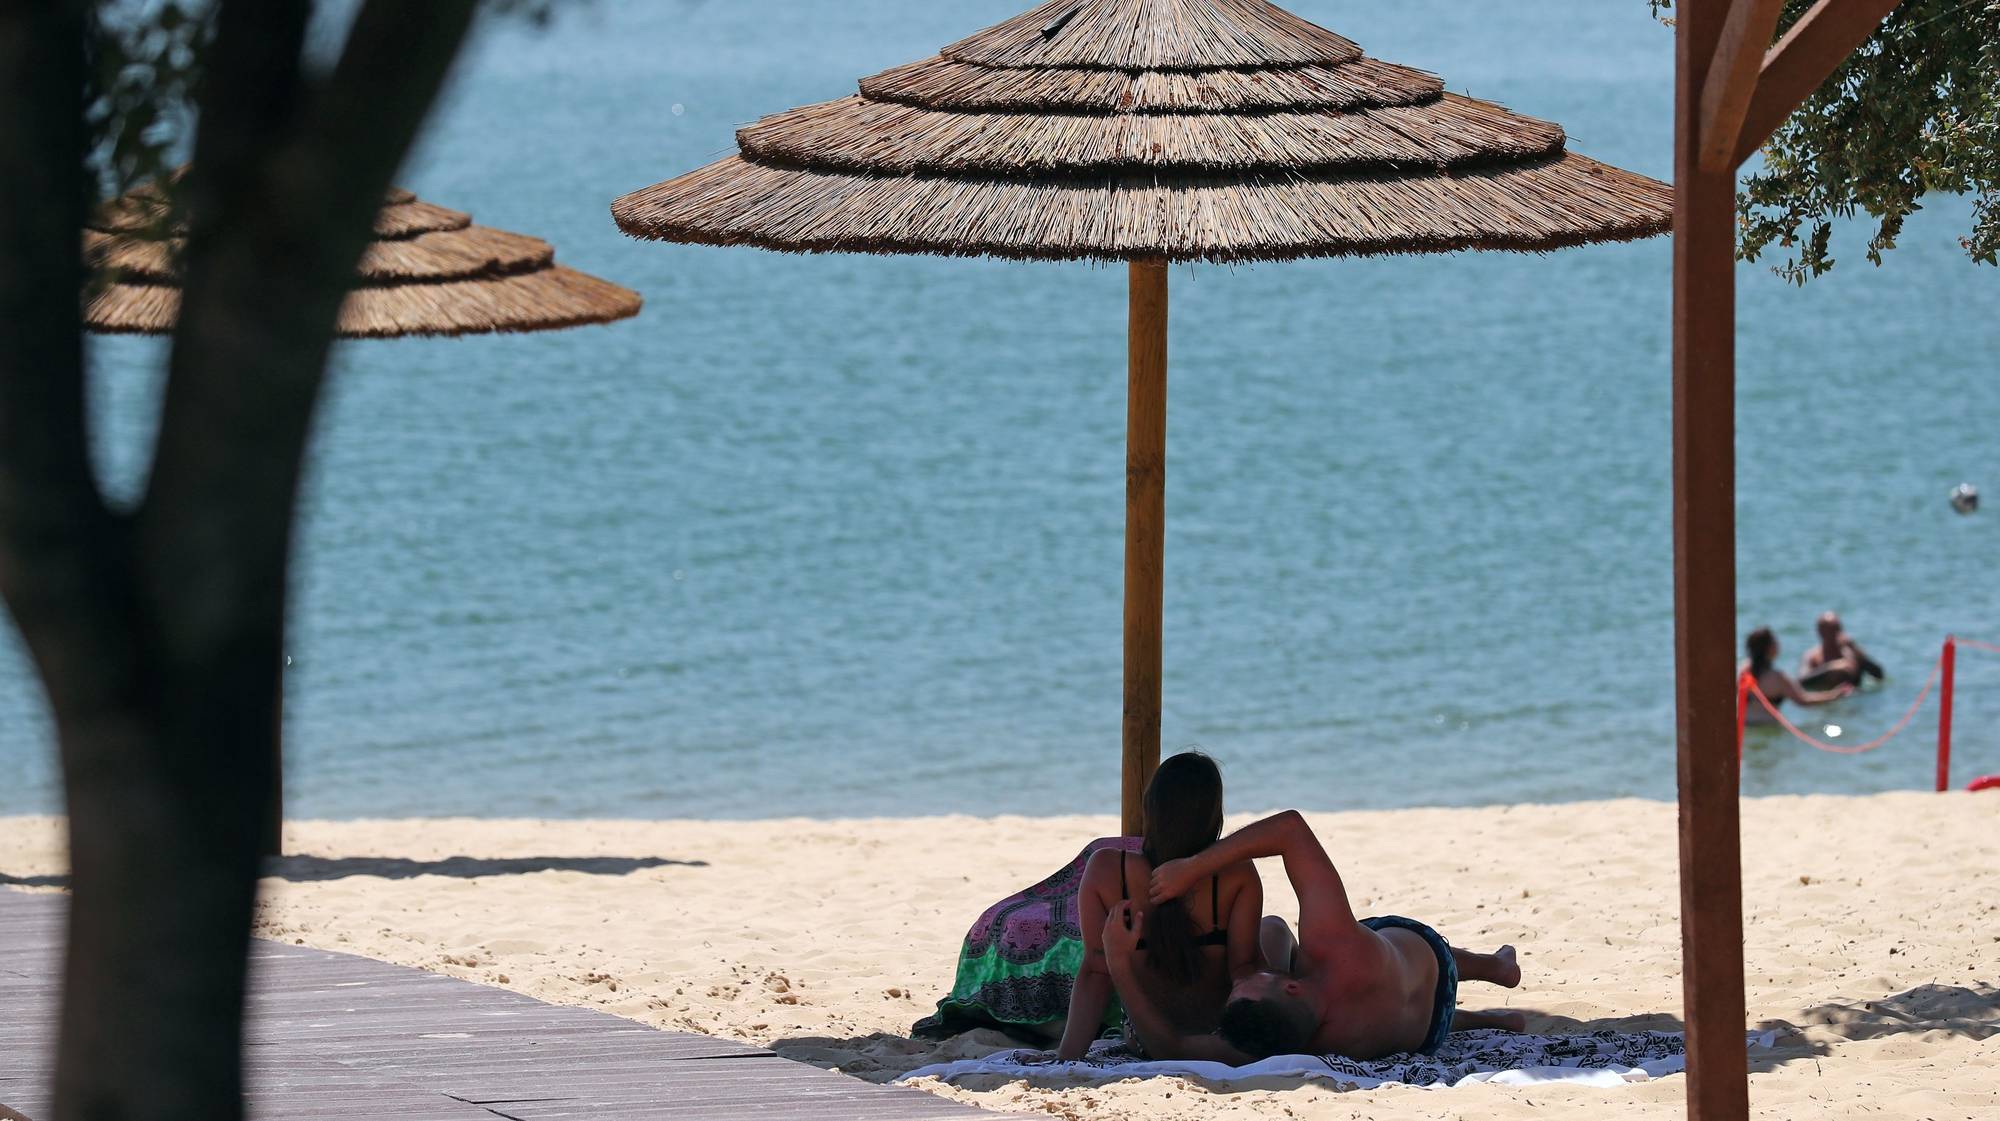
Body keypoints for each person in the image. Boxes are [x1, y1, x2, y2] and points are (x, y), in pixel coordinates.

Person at [1104, 809, 1523, 1063]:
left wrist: (1119, 963)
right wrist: (1194, 867)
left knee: (1277, 934)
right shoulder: (1336, 947)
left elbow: (1171, 1047)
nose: (1238, 978)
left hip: (1426, 1030)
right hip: (1430, 961)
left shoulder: (1286, 1042)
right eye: (1244, 985)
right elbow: (1290, 829)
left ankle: (1484, 1015)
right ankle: (1496, 968)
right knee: (1403, 949)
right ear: (1289, 986)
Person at [1053, 751, 1264, 1060]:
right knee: (1276, 931)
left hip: (1144, 1039)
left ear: (1150, 809)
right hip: (1213, 1037)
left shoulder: (1108, 870)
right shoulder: (1237, 874)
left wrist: (1067, 1057)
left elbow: (1097, 972)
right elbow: (1244, 973)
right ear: (1214, 816)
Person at [1742, 626, 1850, 723]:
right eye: (1775, 643)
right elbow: (1803, 700)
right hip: (1767, 727)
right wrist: (1835, 695)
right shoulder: (1778, 677)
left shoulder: (1742, 671)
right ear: (1769, 648)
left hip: (1745, 727)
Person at [1797, 612, 1884, 690]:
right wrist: (1830, 668)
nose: (1836, 633)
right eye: (1831, 630)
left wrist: (1860, 655)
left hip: (1855, 699)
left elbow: (1879, 675)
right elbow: (1801, 681)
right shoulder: (1812, 656)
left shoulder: (1851, 653)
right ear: (1820, 632)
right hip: (1827, 699)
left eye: (1838, 629)